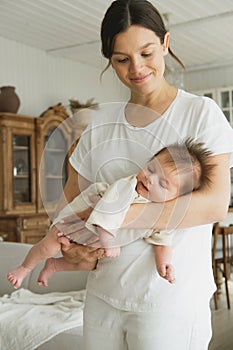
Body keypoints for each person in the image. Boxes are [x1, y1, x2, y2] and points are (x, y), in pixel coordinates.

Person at [28, 1, 233, 349]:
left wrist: (119, 212)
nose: (136, 68)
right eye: (121, 59)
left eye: (147, 53)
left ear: (165, 43)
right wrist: (70, 245)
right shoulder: (99, 126)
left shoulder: (201, 113)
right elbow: (69, 203)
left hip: (169, 302)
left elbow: (214, 205)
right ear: (109, 58)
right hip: (103, 297)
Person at [7, 139, 214, 288]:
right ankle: (25, 267)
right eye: (151, 169)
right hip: (73, 222)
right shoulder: (127, 187)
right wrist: (108, 240)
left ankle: (55, 265)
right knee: (51, 245)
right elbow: (106, 210)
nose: (150, 179)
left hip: (90, 242)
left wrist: (164, 263)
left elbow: (162, 240)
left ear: (175, 197)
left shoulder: (161, 213)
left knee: (91, 263)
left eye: (162, 183)